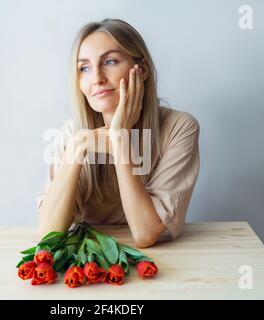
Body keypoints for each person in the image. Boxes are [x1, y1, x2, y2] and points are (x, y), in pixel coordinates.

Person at [36, 18, 200, 248]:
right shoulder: (73, 133)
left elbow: (145, 233)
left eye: (110, 61)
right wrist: (78, 146)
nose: (97, 78)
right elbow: (47, 235)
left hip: (156, 264)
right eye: (84, 67)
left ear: (141, 69)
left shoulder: (179, 128)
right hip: (90, 264)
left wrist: (119, 138)